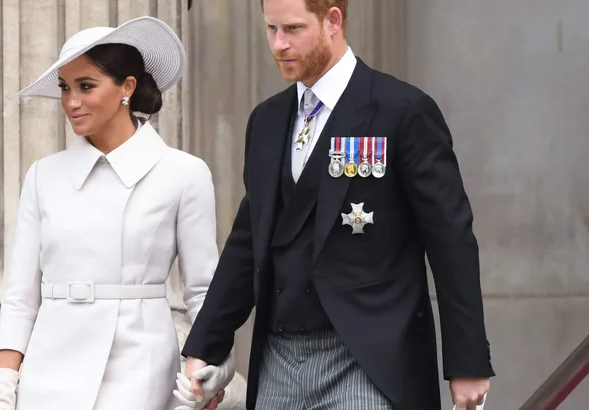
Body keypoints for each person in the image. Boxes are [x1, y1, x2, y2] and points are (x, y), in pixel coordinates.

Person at [177, 1, 495, 410]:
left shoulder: (402, 111)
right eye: (271, 29)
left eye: (292, 29)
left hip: (370, 360)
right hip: (279, 357)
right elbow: (248, 242)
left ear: (333, 20)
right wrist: (205, 345)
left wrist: (467, 363)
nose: (278, 44)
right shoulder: (266, 120)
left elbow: (451, 241)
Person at [0, 16, 224, 410]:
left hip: (139, 367)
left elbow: (204, 291)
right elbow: (21, 296)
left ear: (127, 87)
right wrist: (3, 385)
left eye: (86, 86)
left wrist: (208, 367)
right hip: (49, 369)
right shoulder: (43, 175)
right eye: (65, 88)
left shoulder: (183, 173)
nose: (71, 102)